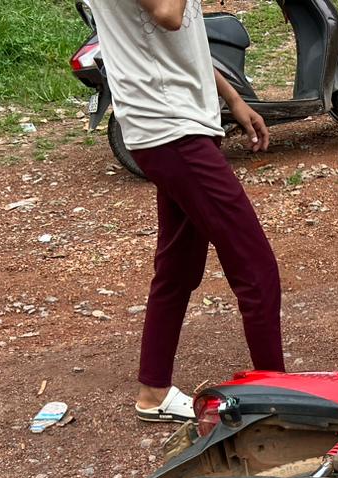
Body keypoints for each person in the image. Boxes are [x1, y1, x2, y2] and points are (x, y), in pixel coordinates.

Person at [89, 0, 287, 422]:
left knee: (178, 268)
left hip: (182, 122)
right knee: (255, 266)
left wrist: (232, 97)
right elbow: (168, 15)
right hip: (168, 127)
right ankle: (278, 402)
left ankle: (153, 391)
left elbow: (180, 40)